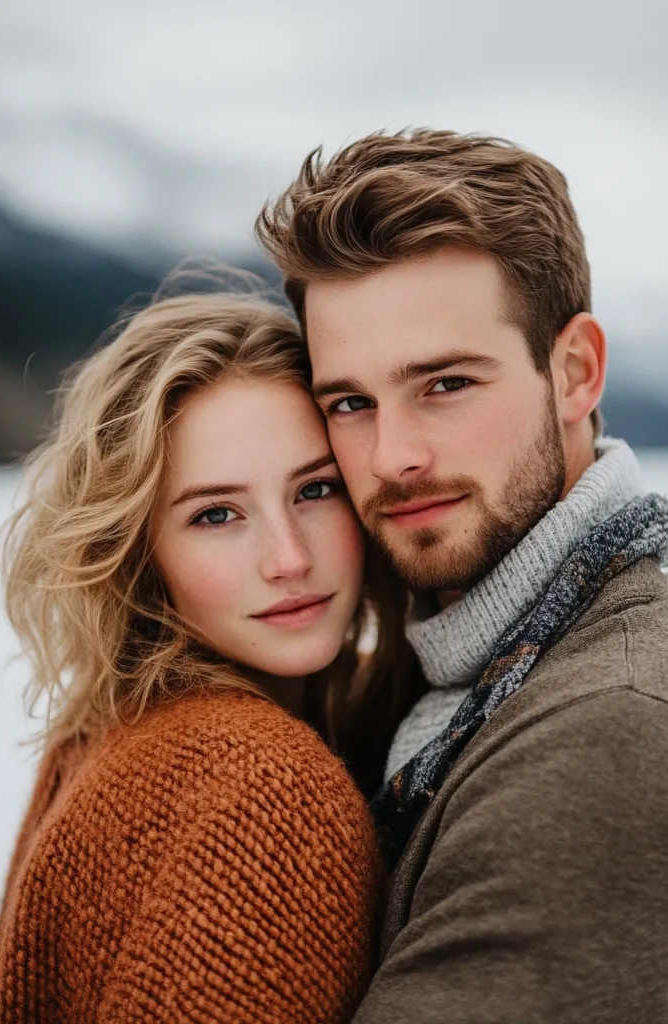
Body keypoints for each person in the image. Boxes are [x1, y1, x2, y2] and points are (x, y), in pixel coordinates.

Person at [257, 129, 668, 1023]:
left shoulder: (606, 736)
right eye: (350, 404)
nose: (393, 456)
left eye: (443, 384)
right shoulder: (463, 663)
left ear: (575, 373)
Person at [0, 287, 419, 1024]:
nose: (288, 558)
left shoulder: (102, 731)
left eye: (315, 489)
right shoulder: (267, 792)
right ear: (136, 549)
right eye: (216, 513)